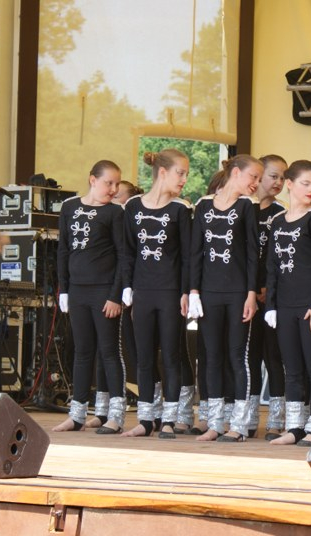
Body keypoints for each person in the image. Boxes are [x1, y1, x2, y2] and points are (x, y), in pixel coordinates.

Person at [189, 155, 261, 442]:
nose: (256, 183)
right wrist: (194, 290)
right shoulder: (203, 205)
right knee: (212, 356)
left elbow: (253, 253)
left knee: (237, 355)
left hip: (237, 292)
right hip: (209, 292)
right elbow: (195, 251)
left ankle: (239, 425)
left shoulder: (247, 206)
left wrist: (251, 294)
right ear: (236, 172)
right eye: (253, 176)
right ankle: (215, 422)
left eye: (258, 178)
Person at [121, 149, 192, 439]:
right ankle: (146, 418)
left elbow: (188, 256)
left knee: (171, 356)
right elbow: (128, 250)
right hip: (143, 290)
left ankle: (170, 419)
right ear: (162, 172)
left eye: (186, 174)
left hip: (170, 292)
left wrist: (186, 292)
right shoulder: (133, 206)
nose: (184, 179)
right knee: (144, 357)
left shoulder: (181, 209)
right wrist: (127, 286)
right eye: (180, 173)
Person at [54, 160, 126, 433]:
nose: (114, 189)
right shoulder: (70, 207)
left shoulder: (114, 212)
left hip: (104, 290)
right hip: (78, 290)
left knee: (108, 351)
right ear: (92, 180)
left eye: (117, 184)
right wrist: (64, 288)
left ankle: (115, 415)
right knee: (82, 352)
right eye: (109, 183)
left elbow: (123, 255)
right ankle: (77, 414)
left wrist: (115, 295)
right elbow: (63, 249)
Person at [265, 160, 311, 447]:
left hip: (310, 307)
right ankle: (294, 427)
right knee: (291, 368)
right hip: (285, 306)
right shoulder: (278, 221)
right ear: (290, 184)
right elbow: (272, 266)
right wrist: (271, 305)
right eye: (306, 184)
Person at [86, 178, 144, 429]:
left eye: (118, 196)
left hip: (125, 292)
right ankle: (102, 409)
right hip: (109, 289)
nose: (113, 197)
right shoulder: (108, 218)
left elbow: (126, 259)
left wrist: (120, 293)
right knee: (103, 350)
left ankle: (129, 411)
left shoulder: (126, 219)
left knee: (121, 352)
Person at [251, 154, 288, 440]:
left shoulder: (281, 213)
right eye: (273, 176)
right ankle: (249, 416)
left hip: (273, 296)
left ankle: (276, 418)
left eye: (283, 178)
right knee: (248, 356)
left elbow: (281, 257)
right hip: (245, 295)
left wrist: (268, 289)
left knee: (274, 356)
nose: (278, 182)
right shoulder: (244, 208)